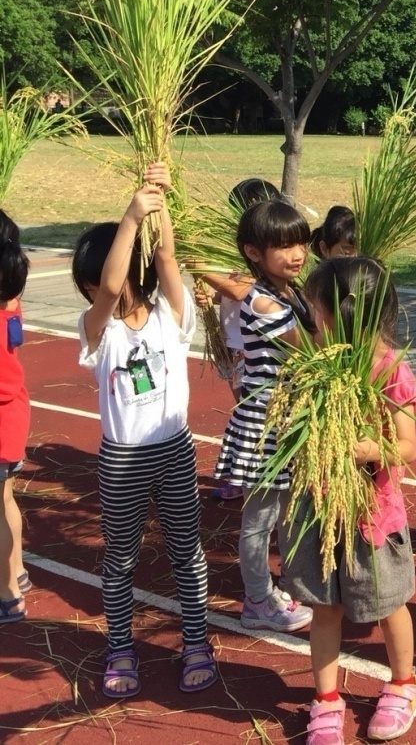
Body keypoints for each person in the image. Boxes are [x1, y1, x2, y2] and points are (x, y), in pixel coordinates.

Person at [71, 163, 215, 696]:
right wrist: (130, 215)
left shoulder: (169, 317)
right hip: (122, 459)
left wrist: (158, 196)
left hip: (174, 450)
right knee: (120, 557)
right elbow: (111, 286)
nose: (94, 289)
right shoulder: (97, 330)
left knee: (186, 549)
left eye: (94, 278)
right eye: (88, 284)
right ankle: (121, 647)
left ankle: (197, 640)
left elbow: (166, 256)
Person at [284, 258, 416, 745]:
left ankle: (405, 683)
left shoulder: (389, 369)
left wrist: (368, 449)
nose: (312, 319)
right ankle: (325, 699)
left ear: (342, 314)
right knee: (325, 608)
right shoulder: (315, 361)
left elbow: (407, 446)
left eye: (317, 309)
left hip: (371, 514)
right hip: (320, 512)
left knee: (388, 605)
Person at [212, 200, 315, 634]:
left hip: (285, 418)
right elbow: (310, 352)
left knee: (288, 511)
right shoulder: (263, 303)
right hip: (265, 423)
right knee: (261, 518)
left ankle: (282, 587)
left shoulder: (283, 291)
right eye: (285, 246)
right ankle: (257, 600)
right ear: (253, 252)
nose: (297, 255)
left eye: (302, 244)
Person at [199, 178, 282, 496]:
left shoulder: (263, 252)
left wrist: (201, 269)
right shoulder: (236, 247)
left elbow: (243, 289)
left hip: (253, 347)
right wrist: (210, 296)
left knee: (257, 414)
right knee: (247, 412)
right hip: (233, 344)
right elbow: (230, 293)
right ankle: (248, 476)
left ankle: (255, 478)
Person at [0, 210, 31, 624]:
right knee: (5, 499)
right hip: (13, 415)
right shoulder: (11, 299)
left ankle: (7, 593)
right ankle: (18, 570)